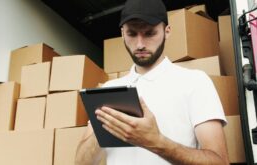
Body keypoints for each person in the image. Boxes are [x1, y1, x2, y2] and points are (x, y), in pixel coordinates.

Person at [75, 0, 229, 164]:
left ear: (167, 31)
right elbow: (80, 163)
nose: (140, 44)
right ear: (122, 34)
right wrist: (106, 126)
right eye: (132, 34)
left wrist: (156, 142)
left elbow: (219, 161)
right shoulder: (109, 90)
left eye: (149, 33)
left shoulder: (195, 82)